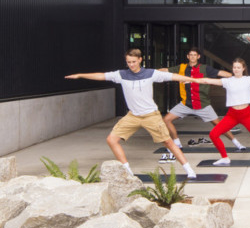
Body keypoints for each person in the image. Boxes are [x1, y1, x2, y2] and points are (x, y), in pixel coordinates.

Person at [64, 48, 203, 178]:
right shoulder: (121, 75)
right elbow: (101, 76)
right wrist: (80, 75)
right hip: (133, 116)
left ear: (140, 60)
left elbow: (173, 76)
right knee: (111, 140)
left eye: (133, 62)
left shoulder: (151, 73)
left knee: (168, 142)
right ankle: (127, 171)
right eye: (128, 62)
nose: (131, 65)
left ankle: (188, 169)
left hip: (151, 115)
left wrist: (193, 80)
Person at [163, 47, 243, 156]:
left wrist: (236, 77)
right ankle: (177, 143)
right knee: (166, 120)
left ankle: (237, 143)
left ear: (198, 57)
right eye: (190, 55)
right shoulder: (181, 68)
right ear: (188, 56)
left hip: (203, 105)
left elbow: (220, 73)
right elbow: (166, 70)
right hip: (186, 104)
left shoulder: (205, 68)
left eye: (194, 55)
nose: (192, 57)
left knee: (219, 125)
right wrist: (150, 72)